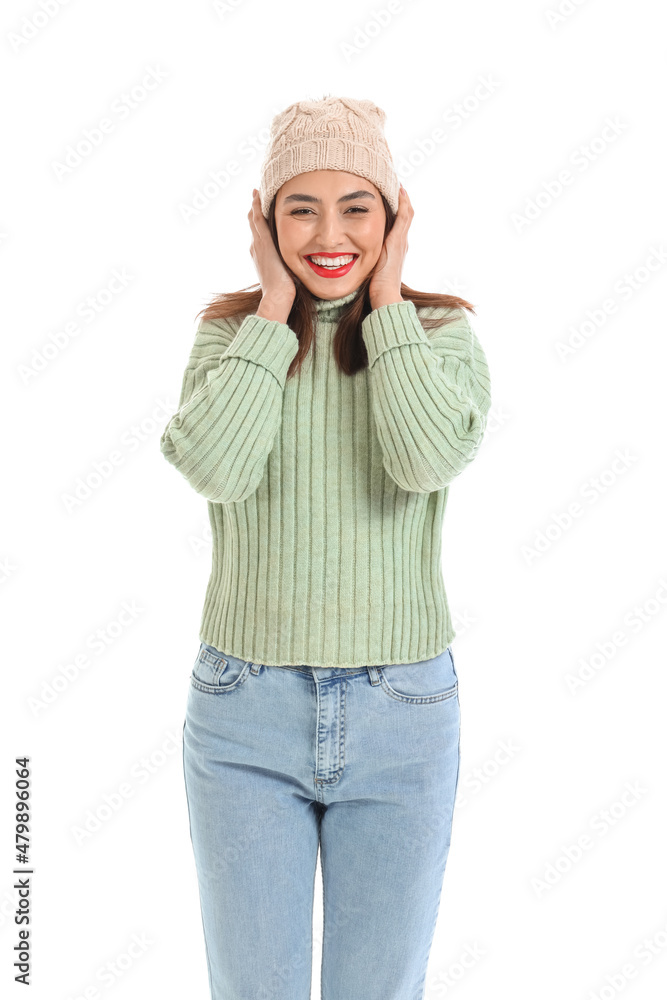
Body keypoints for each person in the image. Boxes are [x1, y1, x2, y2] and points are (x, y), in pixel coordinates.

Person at [159, 96, 492, 1000]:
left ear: (394, 216)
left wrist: (384, 303)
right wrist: (274, 311)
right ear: (266, 221)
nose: (330, 233)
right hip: (243, 709)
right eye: (301, 207)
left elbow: (425, 458)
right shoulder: (233, 338)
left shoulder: (437, 336)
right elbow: (215, 468)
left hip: (403, 711)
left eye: (357, 206)